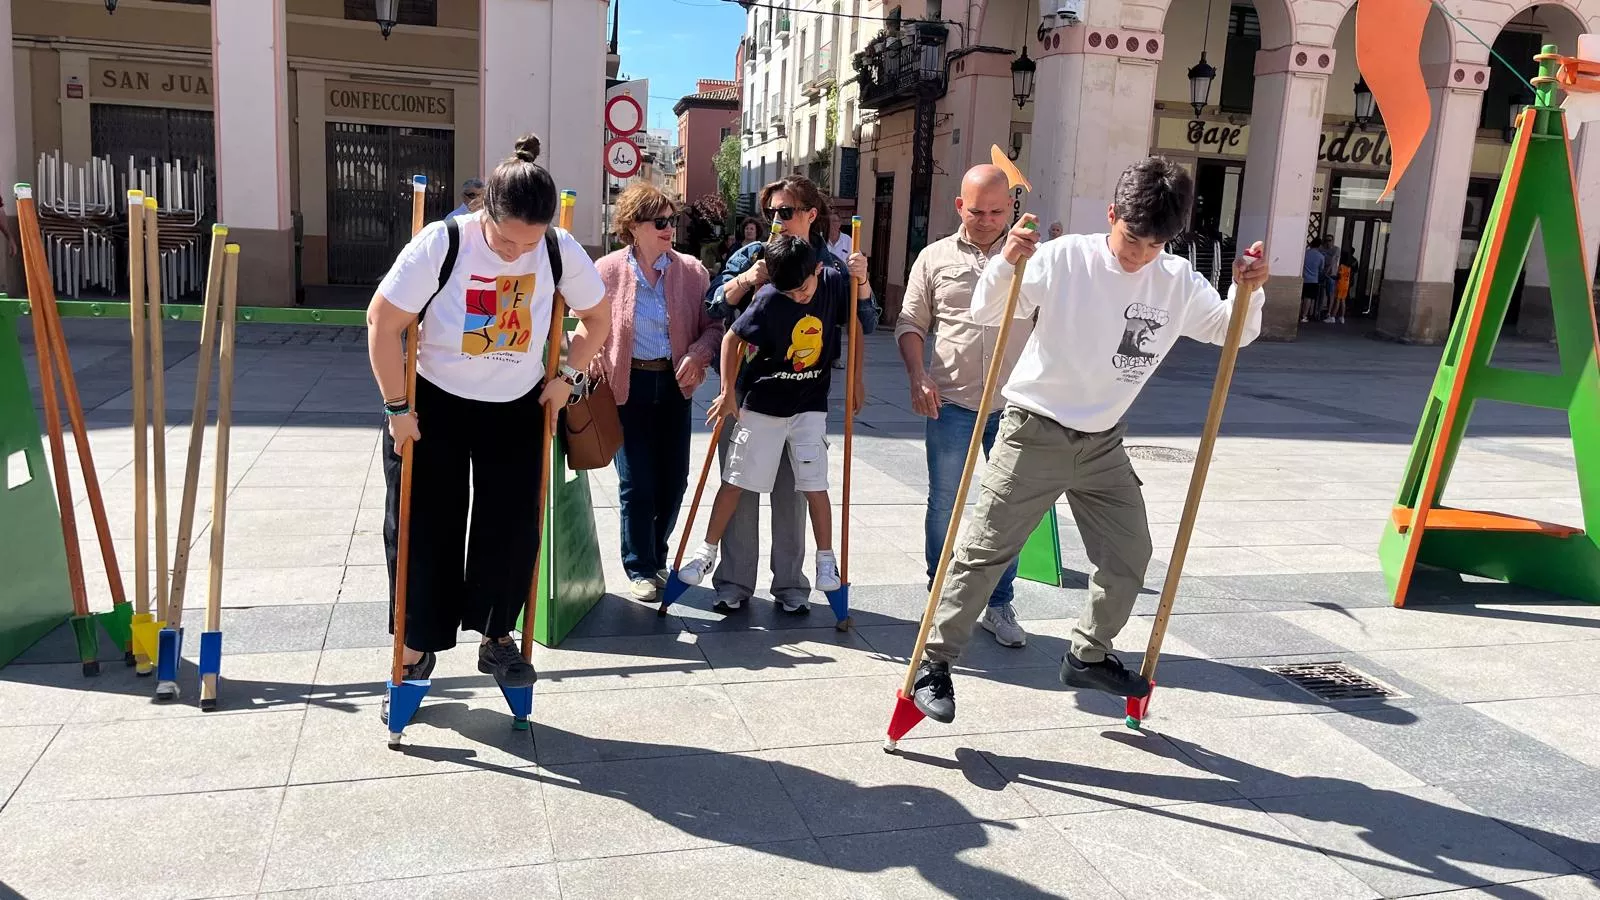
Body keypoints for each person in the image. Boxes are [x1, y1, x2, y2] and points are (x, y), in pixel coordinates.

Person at [907, 157, 1268, 724]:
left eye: (1153, 245)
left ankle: (1088, 654)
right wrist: (1007, 263)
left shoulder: (1175, 280)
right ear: (1111, 216)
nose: (1138, 255)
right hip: (1034, 430)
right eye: (1131, 239)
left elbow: (1232, 332)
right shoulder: (1066, 257)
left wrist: (1248, 292)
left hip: (1103, 443)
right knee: (983, 552)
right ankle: (935, 663)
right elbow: (986, 309)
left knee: (1130, 554)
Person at [367, 134, 610, 700]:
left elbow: (596, 319)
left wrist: (567, 377)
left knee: (511, 525)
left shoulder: (558, 248)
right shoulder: (442, 242)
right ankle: (416, 643)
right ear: (485, 213)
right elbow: (383, 323)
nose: (515, 253)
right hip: (434, 402)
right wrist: (396, 408)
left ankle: (497, 634)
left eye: (529, 243)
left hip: (517, 404)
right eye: (504, 241)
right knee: (424, 527)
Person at [706, 175, 880, 612]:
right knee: (741, 487)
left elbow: (865, 322)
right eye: (772, 213)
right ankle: (733, 584)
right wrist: (748, 278)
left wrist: (865, 283)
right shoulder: (752, 254)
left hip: (803, 399)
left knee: (796, 490)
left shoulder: (832, 266)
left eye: (786, 212)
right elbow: (716, 306)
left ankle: (791, 587)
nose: (777, 221)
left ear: (810, 214)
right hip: (750, 395)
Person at [677, 235, 869, 600]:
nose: (799, 297)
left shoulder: (832, 281)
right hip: (763, 403)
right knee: (735, 480)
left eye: (802, 289)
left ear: (816, 270)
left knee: (814, 483)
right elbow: (732, 339)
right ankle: (706, 554)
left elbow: (858, 323)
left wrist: (857, 378)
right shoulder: (768, 298)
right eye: (790, 294)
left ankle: (826, 559)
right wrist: (726, 392)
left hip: (809, 403)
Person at [897, 164, 1033, 648]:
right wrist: (918, 375)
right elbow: (910, 322)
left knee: (1007, 509)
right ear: (960, 206)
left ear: (1011, 208)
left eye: (998, 211)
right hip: (951, 401)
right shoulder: (934, 257)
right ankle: (940, 597)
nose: (988, 219)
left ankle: (998, 603)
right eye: (978, 211)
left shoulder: (1031, 259)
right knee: (944, 503)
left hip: (1016, 405)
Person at [593, 183, 723, 602]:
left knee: (673, 482)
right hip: (625, 387)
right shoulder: (608, 271)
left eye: (673, 220)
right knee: (637, 482)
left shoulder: (691, 271)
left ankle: (657, 556)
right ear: (634, 226)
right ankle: (640, 566)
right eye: (661, 222)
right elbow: (586, 326)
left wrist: (700, 354)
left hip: (674, 387)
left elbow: (713, 327)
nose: (670, 229)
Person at [1331, 247, 1358, 324]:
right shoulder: (1349, 267)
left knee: (1337, 300)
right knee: (1343, 300)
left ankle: (1333, 316)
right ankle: (1342, 317)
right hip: (1346, 284)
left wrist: (1332, 277)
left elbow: (1339, 276)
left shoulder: (1341, 266)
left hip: (1340, 284)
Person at [1301, 239, 1323, 324]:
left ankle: (1300, 313)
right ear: (1320, 246)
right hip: (1313, 280)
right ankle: (1304, 315)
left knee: (1302, 298)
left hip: (1304, 278)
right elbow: (1321, 269)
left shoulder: (1305, 253)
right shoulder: (1321, 256)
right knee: (1308, 298)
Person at [1320, 234, 1340, 317]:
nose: (1328, 242)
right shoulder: (1321, 249)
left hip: (1331, 274)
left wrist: (1327, 272)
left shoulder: (1336, 249)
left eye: (1330, 240)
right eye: (1326, 240)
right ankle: (1318, 310)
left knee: (1330, 294)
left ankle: (1328, 312)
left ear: (1332, 241)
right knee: (1320, 292)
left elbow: (1332, 261)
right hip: (1321, 273)